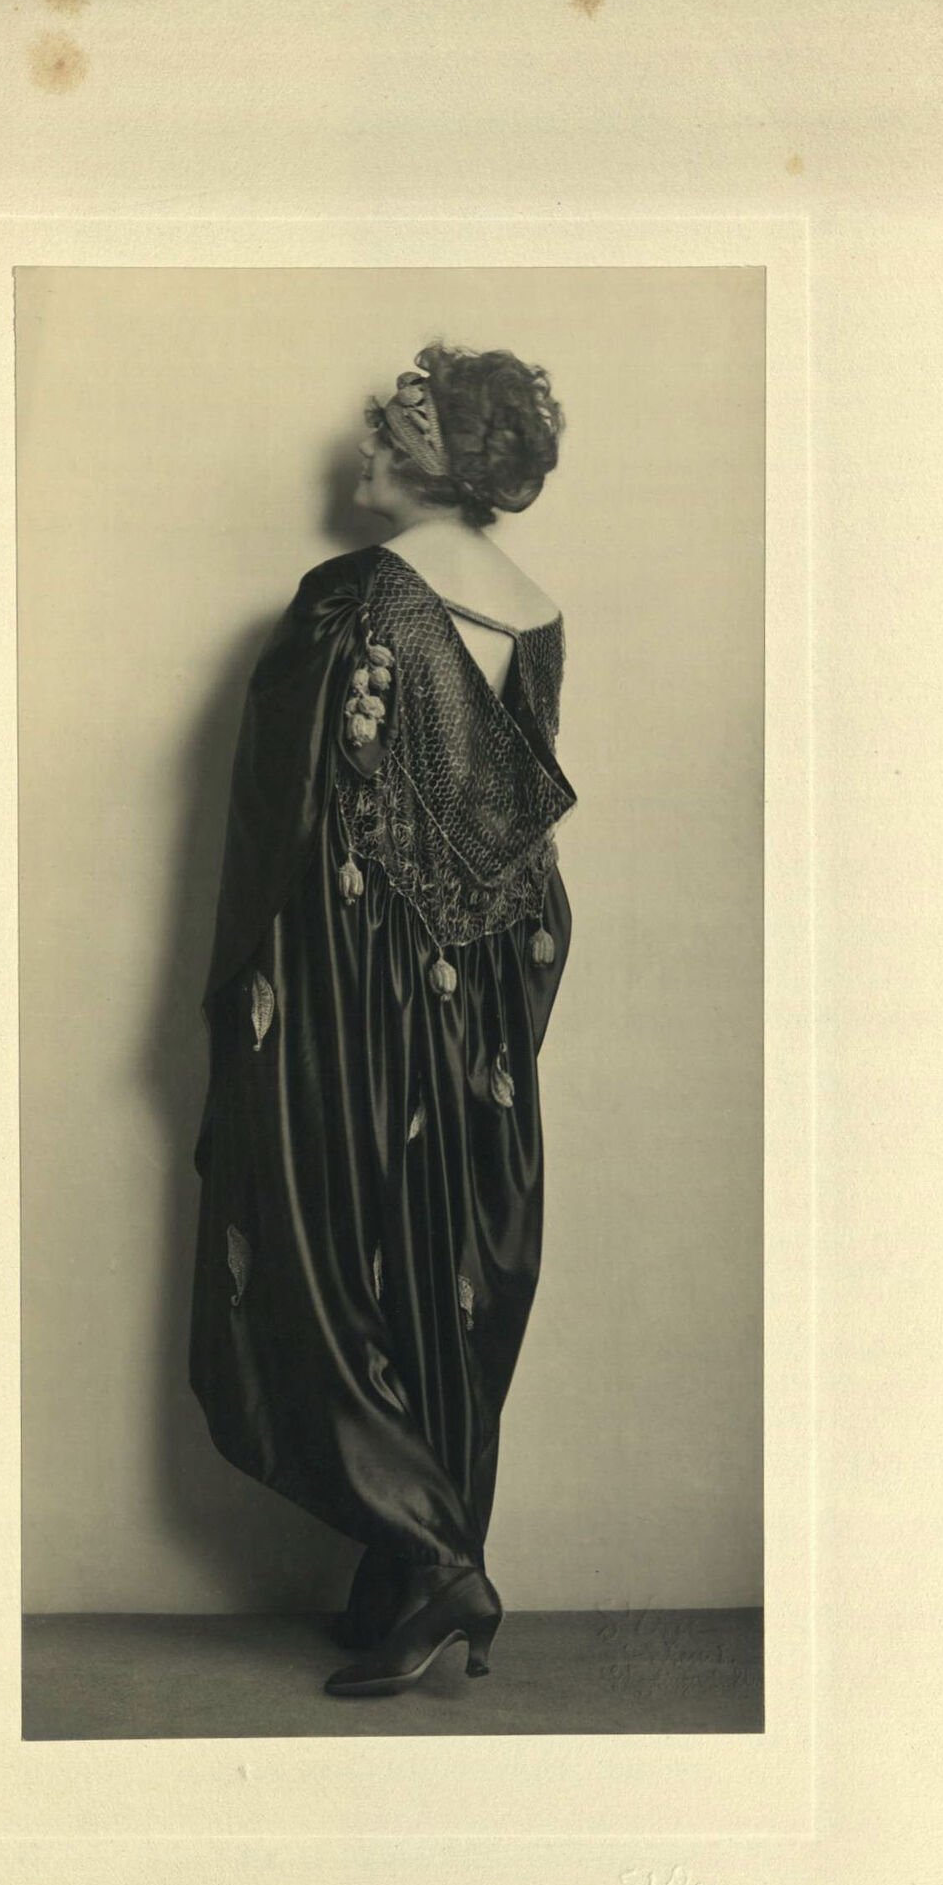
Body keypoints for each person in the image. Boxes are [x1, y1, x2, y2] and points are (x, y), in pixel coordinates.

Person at [189, 342, 574, 1697]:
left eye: (384, 429)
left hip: (353, 979)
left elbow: (284, 815)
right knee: (437, 1262)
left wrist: (248, 992)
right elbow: (515, 831)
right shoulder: (535, 614)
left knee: (319, 1244)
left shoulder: (354, 596)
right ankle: (414, 1567)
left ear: (427, 456)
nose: (360, 445)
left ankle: (432, 1560)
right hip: (482, 995)